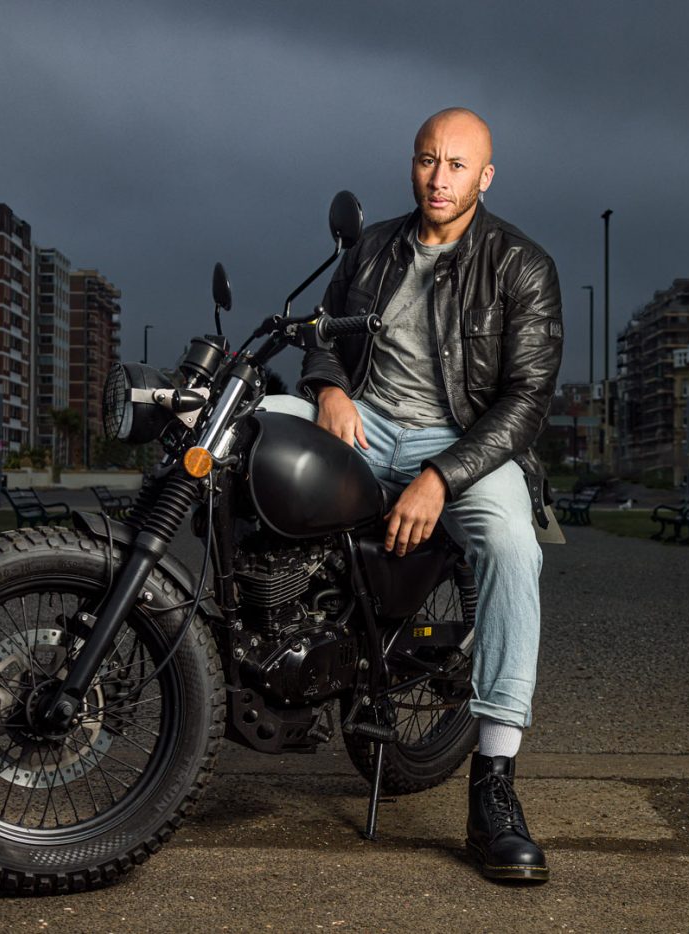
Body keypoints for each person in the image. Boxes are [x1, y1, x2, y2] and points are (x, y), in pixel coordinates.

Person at [262, 107, 563, 882]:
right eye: (429, 159)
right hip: (365, 422)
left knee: (511, 545)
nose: (439, 177)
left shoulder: (521, 265)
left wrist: (441, 477)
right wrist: (327, 387)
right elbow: (324, 335)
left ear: (484, 176)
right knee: (252, 435)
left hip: (460, 441)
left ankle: (493, 783)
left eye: (458, 165)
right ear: (412, 163)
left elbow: (525, 402)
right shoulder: (371, 247)